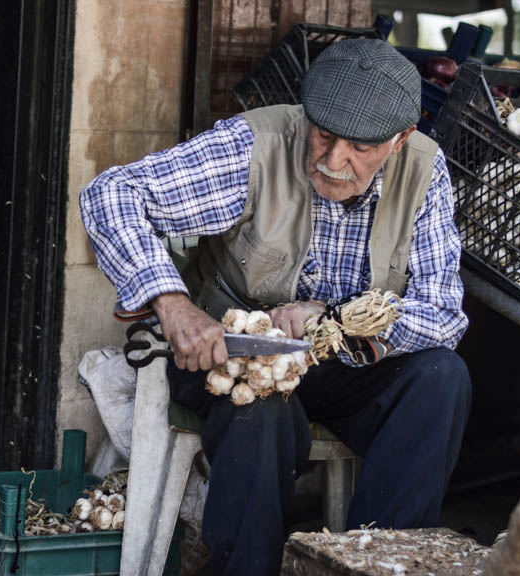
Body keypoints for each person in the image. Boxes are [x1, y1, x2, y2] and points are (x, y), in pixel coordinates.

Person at [80, 38, 471, 576]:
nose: (334, 162)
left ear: (401, 139)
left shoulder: (424, 173)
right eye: (325, 135)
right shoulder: (257, 144)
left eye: (360, 148)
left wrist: (334, 322)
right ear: (307, 116)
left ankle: (376, 565)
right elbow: (111, 194)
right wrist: (174, 305)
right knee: (260, 404)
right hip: (228, 357)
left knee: (441, 377)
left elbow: (444, 313)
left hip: (343, 365)